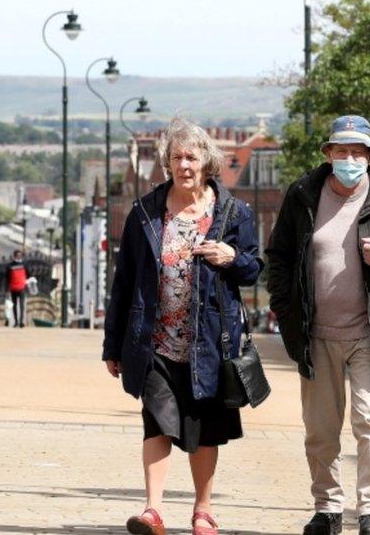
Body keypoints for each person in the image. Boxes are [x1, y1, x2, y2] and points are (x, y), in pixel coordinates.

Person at [266, 114, 370, 535]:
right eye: (342, 151)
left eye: (358, 152)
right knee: (321, 430)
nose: (350, 159)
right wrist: (285, 311)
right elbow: (280, 255)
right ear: (328, 153)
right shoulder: (304, 194)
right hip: (314, 332)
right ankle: (327, 509)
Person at [103, 119, 262, 535]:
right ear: (167, 163)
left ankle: (203, 510)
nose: (184, 165)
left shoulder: (233, 213)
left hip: (209, 342)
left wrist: (231, 257)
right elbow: (124, 282)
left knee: (203, 428)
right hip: (154, 339)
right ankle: (152, 510)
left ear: (206, 161)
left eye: (191, 156)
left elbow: (253, 270)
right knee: (156, 418)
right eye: (176, 157)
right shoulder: (145, 214)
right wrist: (112, 345)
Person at [6, 249, 28, 327]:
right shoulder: (24, 264)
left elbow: (7, 277)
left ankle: (20, 321)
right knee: (15, 305)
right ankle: (17, 321)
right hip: (14, 287)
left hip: (20, 287)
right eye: (18, 255)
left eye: (20, 255)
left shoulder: (10, 265)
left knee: (21, 305)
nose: (19, 257)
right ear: (15, 256)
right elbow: (28, 274)